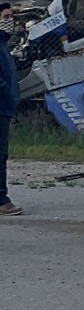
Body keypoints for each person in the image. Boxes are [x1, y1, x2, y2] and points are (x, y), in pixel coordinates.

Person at [0, 24, 21, 217]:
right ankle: (1, 200)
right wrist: (9, 93)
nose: (11, 21)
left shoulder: (3, 43)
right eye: (6, 16)